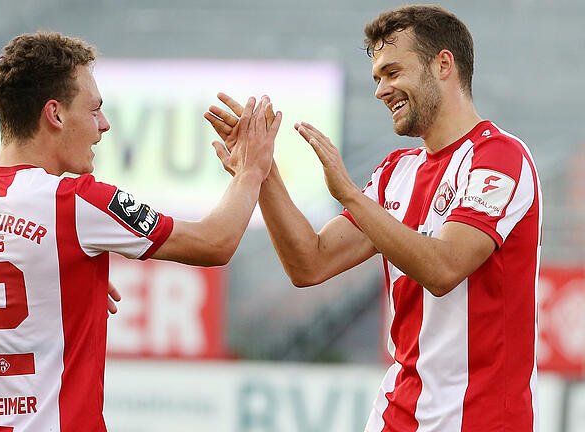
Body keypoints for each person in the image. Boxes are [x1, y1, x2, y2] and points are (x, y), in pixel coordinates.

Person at [205, 5, 541, 432]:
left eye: (393, 72)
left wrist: (347, 193)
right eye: (377, 78)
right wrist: (261, 172)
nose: (381, 90)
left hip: (483, 420)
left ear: (443, 64)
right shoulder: (395, 172)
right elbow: (310, 262)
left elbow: (444, 268)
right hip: (397, 416)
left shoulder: (500, 157)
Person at [0, 31, 281, 432]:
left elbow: (1, 286)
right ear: (55, 114)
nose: (105, 124)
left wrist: (67, 281)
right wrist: (251, 170)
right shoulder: (74, 200)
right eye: (94, 109)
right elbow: (215, 242)